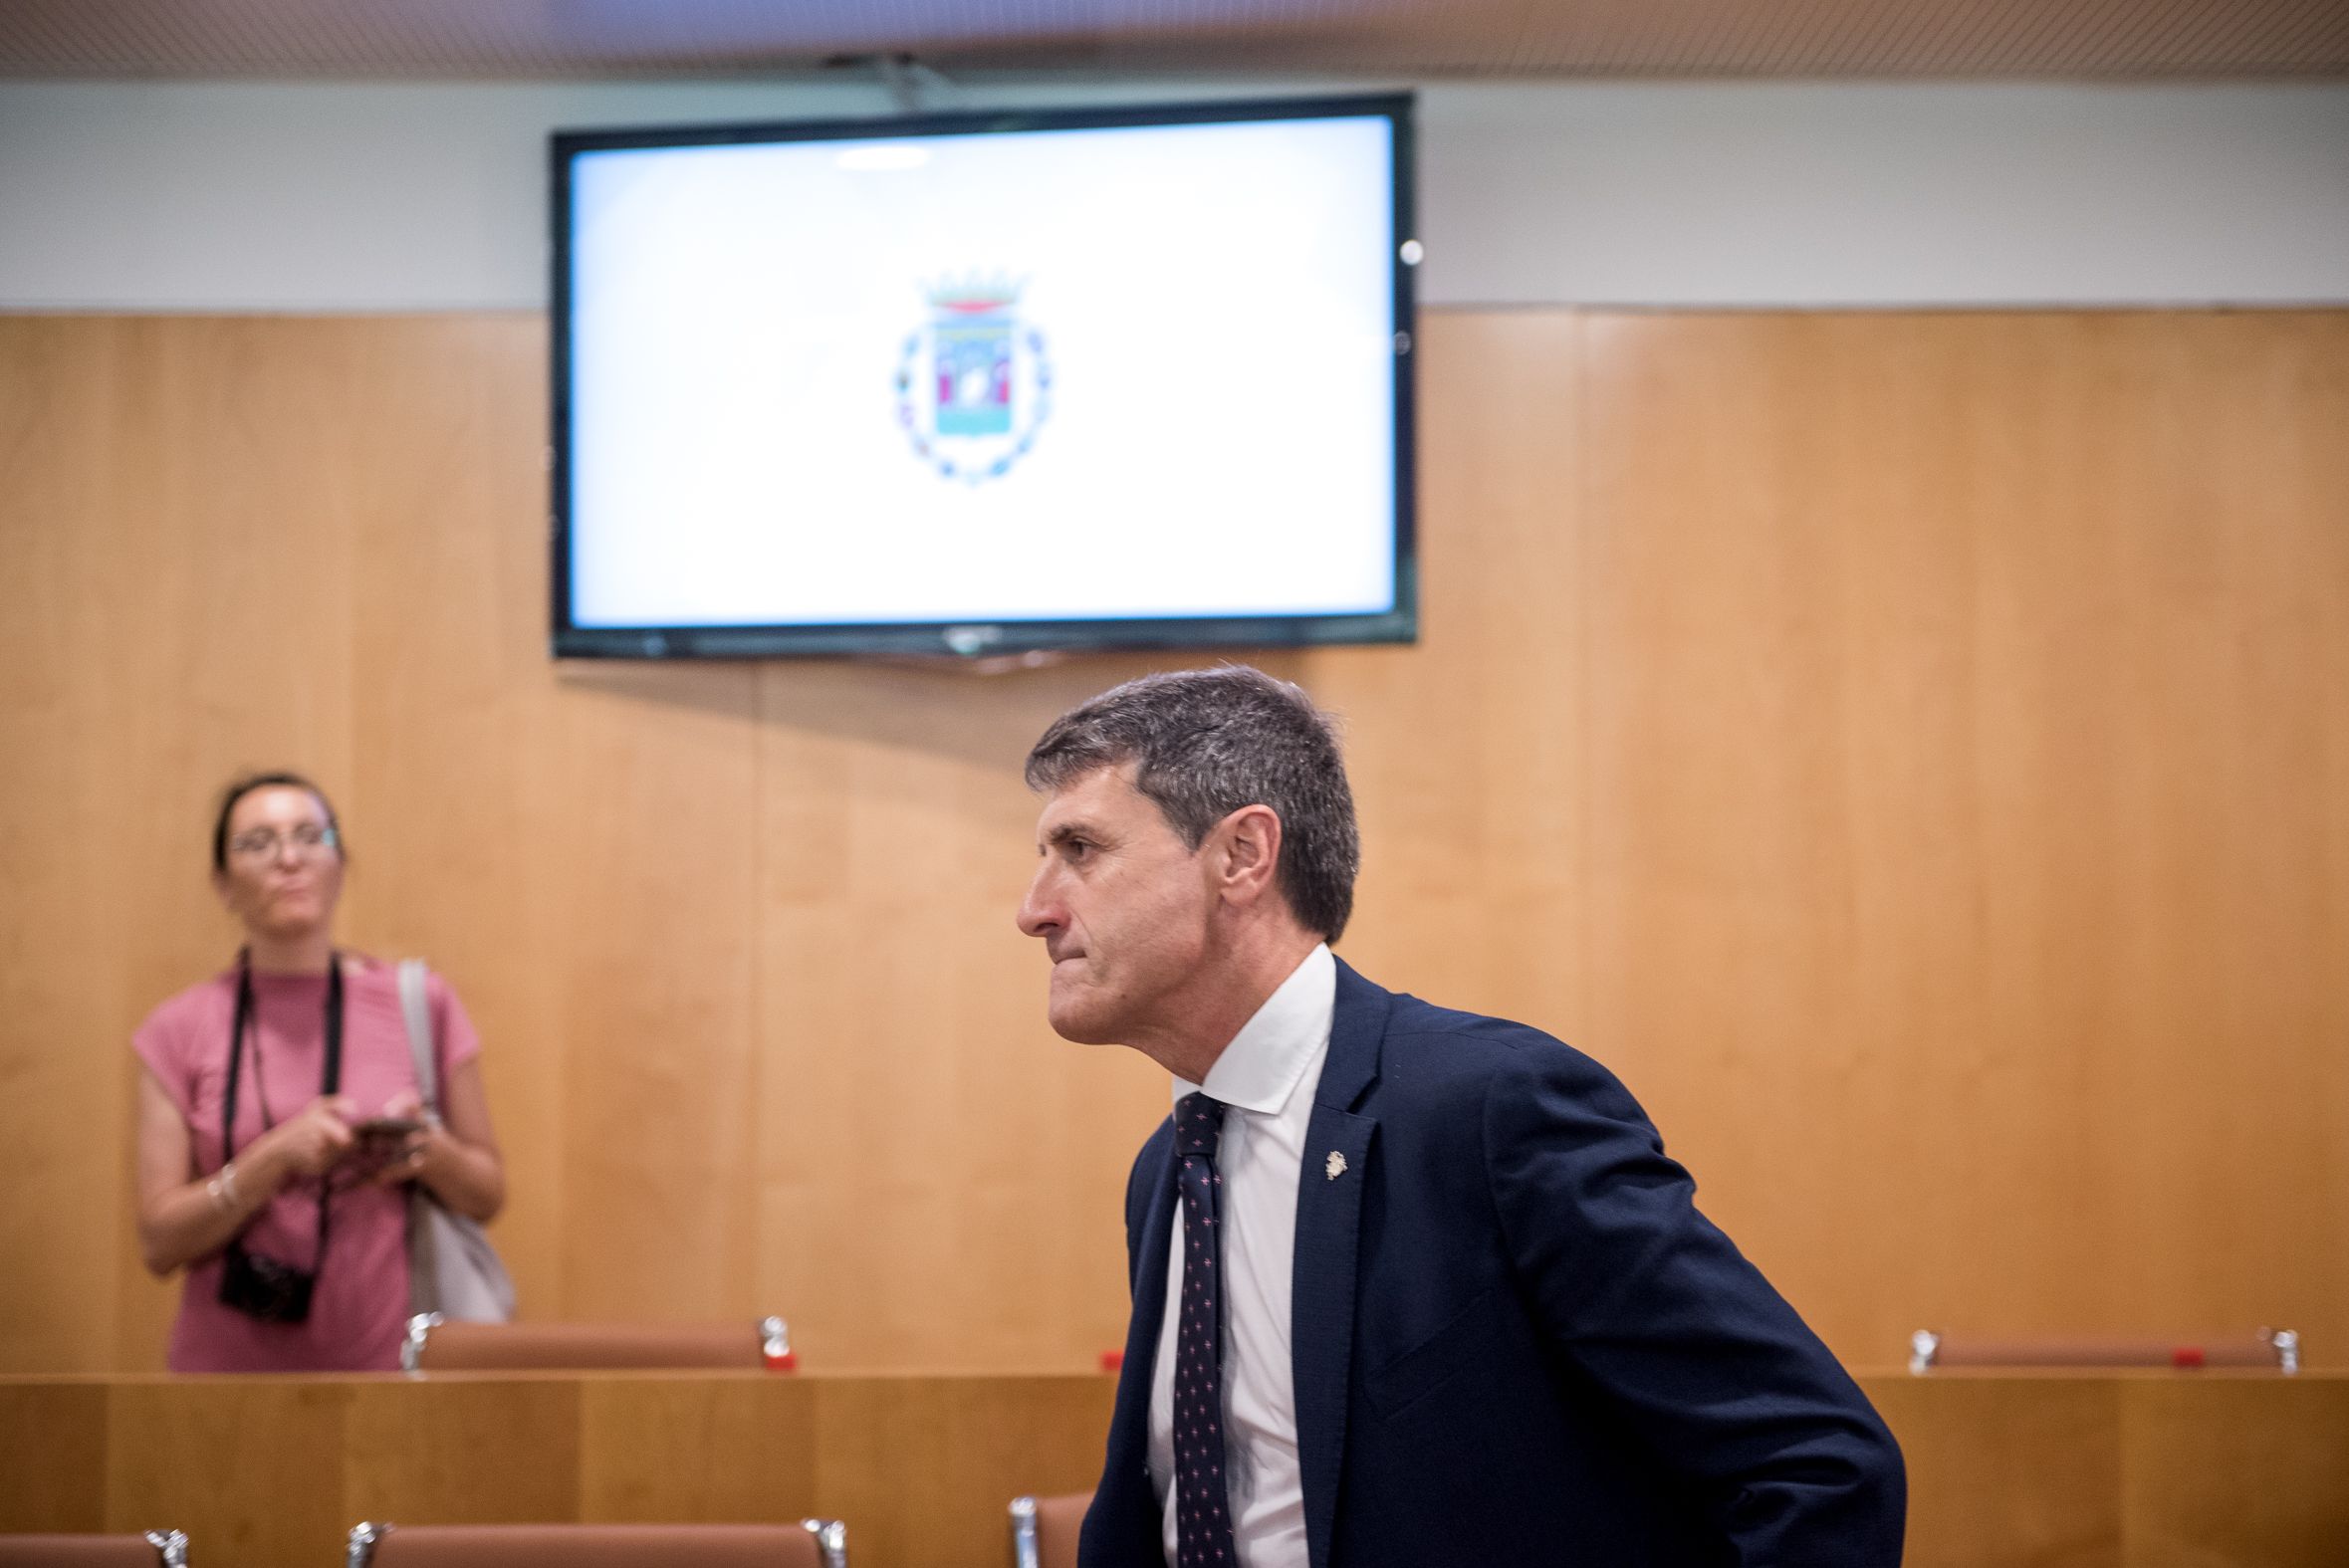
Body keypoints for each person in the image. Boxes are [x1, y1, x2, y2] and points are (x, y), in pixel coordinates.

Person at [1015, 668, 1905, 1568]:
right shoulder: (1168, 1168)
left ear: (1242, 854)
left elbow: (1819, 1466)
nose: (1034, 909)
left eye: (1080, 849)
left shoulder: (1491, 1109)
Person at [131, 772, 505, 1372]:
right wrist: (269, 1161)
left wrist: (427, 1153)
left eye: (310, 835)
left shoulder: (420, 1003)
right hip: (222, 1386)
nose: (288, 858)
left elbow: (487, 1195)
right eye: (257, 843)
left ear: (340, 864)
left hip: (385, 1374)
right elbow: (158, 1243)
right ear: (223, 885)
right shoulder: (179, 1028)